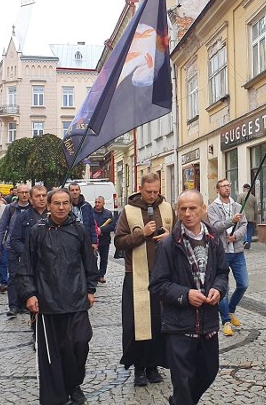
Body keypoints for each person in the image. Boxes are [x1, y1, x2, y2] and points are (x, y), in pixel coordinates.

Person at [16, 188, 99, 405]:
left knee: (80, 343)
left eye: (65, 203)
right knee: (57, 350)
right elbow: (26, 266)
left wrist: (90, 289)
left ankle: (74, 381)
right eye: (57, 203)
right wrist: (30, 294)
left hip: (77, 298)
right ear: (49, 206)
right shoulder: (37, 231)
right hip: (48, 301)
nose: (61, 207)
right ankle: (63, 390)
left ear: (70, 205)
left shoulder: (79, 230)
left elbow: (89, 262)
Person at [150, 190, 229, 405]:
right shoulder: (168, 245)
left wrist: (219, 289)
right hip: (179, 325)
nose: (187, 213)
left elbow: (222, 272)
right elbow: (157, 284)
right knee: (183, 381)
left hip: (208, 322)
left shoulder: (213, 241)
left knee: (209, 372)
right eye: (182, 208)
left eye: (192, 208)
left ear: (203, 209)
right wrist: (184, 295)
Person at [114, 173, 174, 387]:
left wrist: (170, 236)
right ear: (141, 188)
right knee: (137, 323)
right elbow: (118, 242)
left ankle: (154, 365)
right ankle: (139, 368)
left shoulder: (166, 208)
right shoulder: (129, 211)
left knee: (158, 322)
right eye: (149, 191)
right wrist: (142, 234)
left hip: (162, 274)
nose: (152, 195)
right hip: (136, 275)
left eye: (156, 191)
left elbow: (178, 235)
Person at [207, 178, 247, 337]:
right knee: (222, 288)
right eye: (223, 186)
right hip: (221, 252)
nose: (227, 188)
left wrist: (236, 236)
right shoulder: (213, 208)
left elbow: (244, 225)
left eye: (229, 185)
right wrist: (232, 220)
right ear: (217, 189)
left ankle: (230, 310)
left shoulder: (237, 206)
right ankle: (225, 321)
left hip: (237, 251)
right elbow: (215, 227)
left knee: (243, 284)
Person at [0, 184, 31, 315]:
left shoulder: (33, 209)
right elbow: (2, 228)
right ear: (17, 193)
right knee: (14, 276)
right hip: (11, 247)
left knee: (27, 276)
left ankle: (24, 303)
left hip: (28, 248)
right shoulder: (10, 208)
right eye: (21, 192)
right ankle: (13, 305)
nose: (24, 195)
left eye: (26, 192)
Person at [91, 196, 117, 284]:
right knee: (93, 258)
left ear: (103, 203)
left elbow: (112, 226)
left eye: (99, 202)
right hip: (93, 240)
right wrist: (95, 231)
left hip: (104, 240)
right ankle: (94, 275)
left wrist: (101, 230)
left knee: (104, 259)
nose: (97, 204)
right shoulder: (91, 213)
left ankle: (101, 275)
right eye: (96, 202)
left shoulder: (108, 213)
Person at [67, 183, 98, 247]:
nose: (74, 192)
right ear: (69, 192)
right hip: (70, 239)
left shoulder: (87, 206)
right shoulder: (66, 206)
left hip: (86, 239)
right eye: (72, 190)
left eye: (76, 190)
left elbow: (92, 225)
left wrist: (94, 242)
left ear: (80, 191)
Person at [237, 184, 257, 250]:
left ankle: (244, 241)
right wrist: (255, 217)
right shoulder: (253, 197)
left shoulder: (241, 196)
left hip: (243, 215)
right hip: (251, 215)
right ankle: (248, 243)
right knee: (250, 230)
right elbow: (256, 208)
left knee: (242, 228)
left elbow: (237, 205)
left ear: (244, 188)